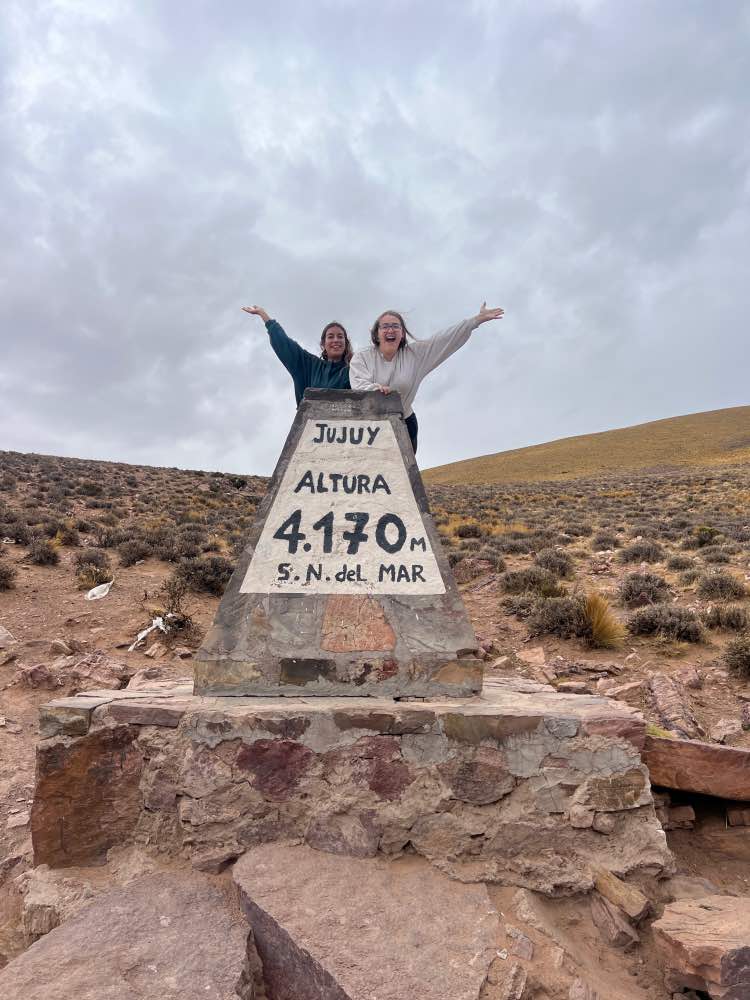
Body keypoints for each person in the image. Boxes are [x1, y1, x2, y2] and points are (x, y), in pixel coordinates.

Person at [349, 302, 504, 453]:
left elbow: (443, 339)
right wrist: (375, 390)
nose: (391, 330)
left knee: (404, 476)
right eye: (385, 326)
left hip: (404, 424)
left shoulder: (415, 355)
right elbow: (358, 384)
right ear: (377, 333)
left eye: (396, 326)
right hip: (372, 427)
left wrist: (476, 320)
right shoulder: (362, 357)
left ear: (402, 333)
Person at [242, 306, 352, 405]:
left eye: (340, 336)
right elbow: (285, 345)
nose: (336, 340)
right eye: (331, 336)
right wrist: (264, 316)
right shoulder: (310, 365)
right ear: (323, 344)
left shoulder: (355, 369)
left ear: (346, 342)